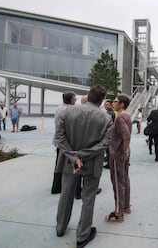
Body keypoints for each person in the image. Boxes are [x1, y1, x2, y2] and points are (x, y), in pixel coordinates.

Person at [54, 85, 112, 248]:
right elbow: (105, 143)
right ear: (101, 100)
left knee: (65, 195)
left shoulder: (68, 111)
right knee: (88, 199)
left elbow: (59, 137)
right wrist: (83, 154)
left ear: (88, 96)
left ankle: (60, 227)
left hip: (69, 162)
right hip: (92, 163)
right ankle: (82, 235)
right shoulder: (106, 118)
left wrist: (74, 156)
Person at [105, 94, 132, 222]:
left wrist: (124, 151)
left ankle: (118, 212)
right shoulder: (127, 115)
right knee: (125, 179)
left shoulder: (120, 117)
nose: (113, 103)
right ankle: (126, 206)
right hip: (124, 152)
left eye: (115, 102)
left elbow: (126, 136)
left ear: (121, 104)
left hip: (118, 153)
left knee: (117, 182)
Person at [51, 91, 77, 195]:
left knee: (59, 164)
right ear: (71, 100)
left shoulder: (59, 108)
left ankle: (57, 187)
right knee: (64, 164)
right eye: (74, 98)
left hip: (59, 141)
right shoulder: (68, 110)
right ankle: (59, 187)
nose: (75, 100)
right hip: (64, 142)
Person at [103, 99, 116, 169]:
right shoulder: (110, 112)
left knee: (108, 149)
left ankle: (109, 163)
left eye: (107, 104)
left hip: (109, 133)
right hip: (110, 133)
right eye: (105, 104)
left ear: (111, 105)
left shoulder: (109, 113)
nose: (105, 106)